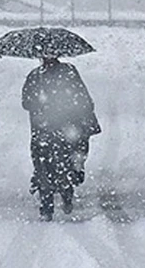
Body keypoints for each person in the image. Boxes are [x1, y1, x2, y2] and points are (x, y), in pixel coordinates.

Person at [22, 56, 100, 220]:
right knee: (65, 164)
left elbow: (26, 103)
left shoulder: (35, 75)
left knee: (43, 167)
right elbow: (83, 98)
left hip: (43, 131)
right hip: (66, 130)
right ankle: (66, 196)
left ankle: (47, 207)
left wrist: (42, 104)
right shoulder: (69, 72)